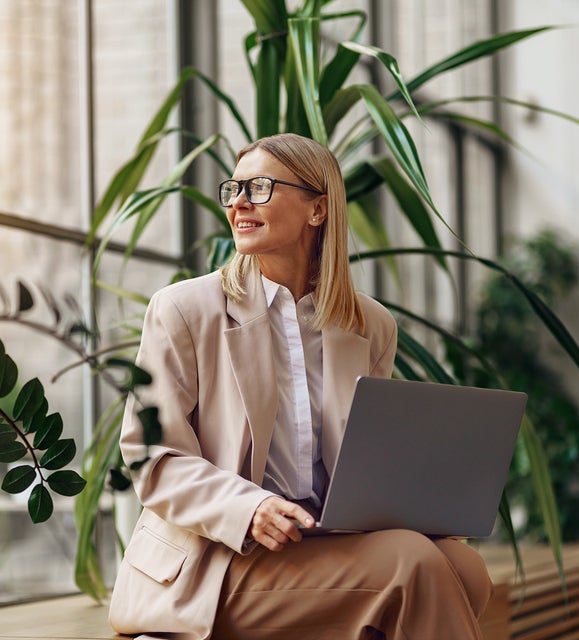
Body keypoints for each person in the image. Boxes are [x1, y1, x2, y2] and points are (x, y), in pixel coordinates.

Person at [108, 133, 492, 640]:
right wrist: (251, 508)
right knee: (413, 565)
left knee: (466, 569)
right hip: (217, 559)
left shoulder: (369, 325)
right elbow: (150, 456)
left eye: (260, 187)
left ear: (318, 210)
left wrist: (422, 499)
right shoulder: (185, 309)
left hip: (321, 541)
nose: (239, 203)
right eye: (234, 189)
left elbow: (368, 459)